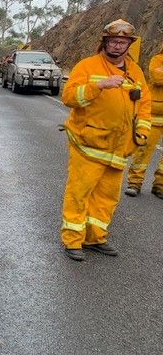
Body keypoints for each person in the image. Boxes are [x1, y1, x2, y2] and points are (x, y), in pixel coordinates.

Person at [59, 19, 151, 261]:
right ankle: (72, 240)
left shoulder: (135, 71)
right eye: (113, 41)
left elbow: (144, 103)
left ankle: (95, 238)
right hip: (87, 144)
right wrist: (99, 86)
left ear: (130, 44)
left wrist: (142, 130)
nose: (118, 46)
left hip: (119, 148)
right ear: (105, 42)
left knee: (107, 197)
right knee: (79, 193)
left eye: (123, 42)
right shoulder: (87, 66)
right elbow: (68, 97)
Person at [125, 48, 163, 199]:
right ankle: (134, 182)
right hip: (154, 114)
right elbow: (157, 77)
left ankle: (160, 186)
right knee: (143, 149)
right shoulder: (157, 59)